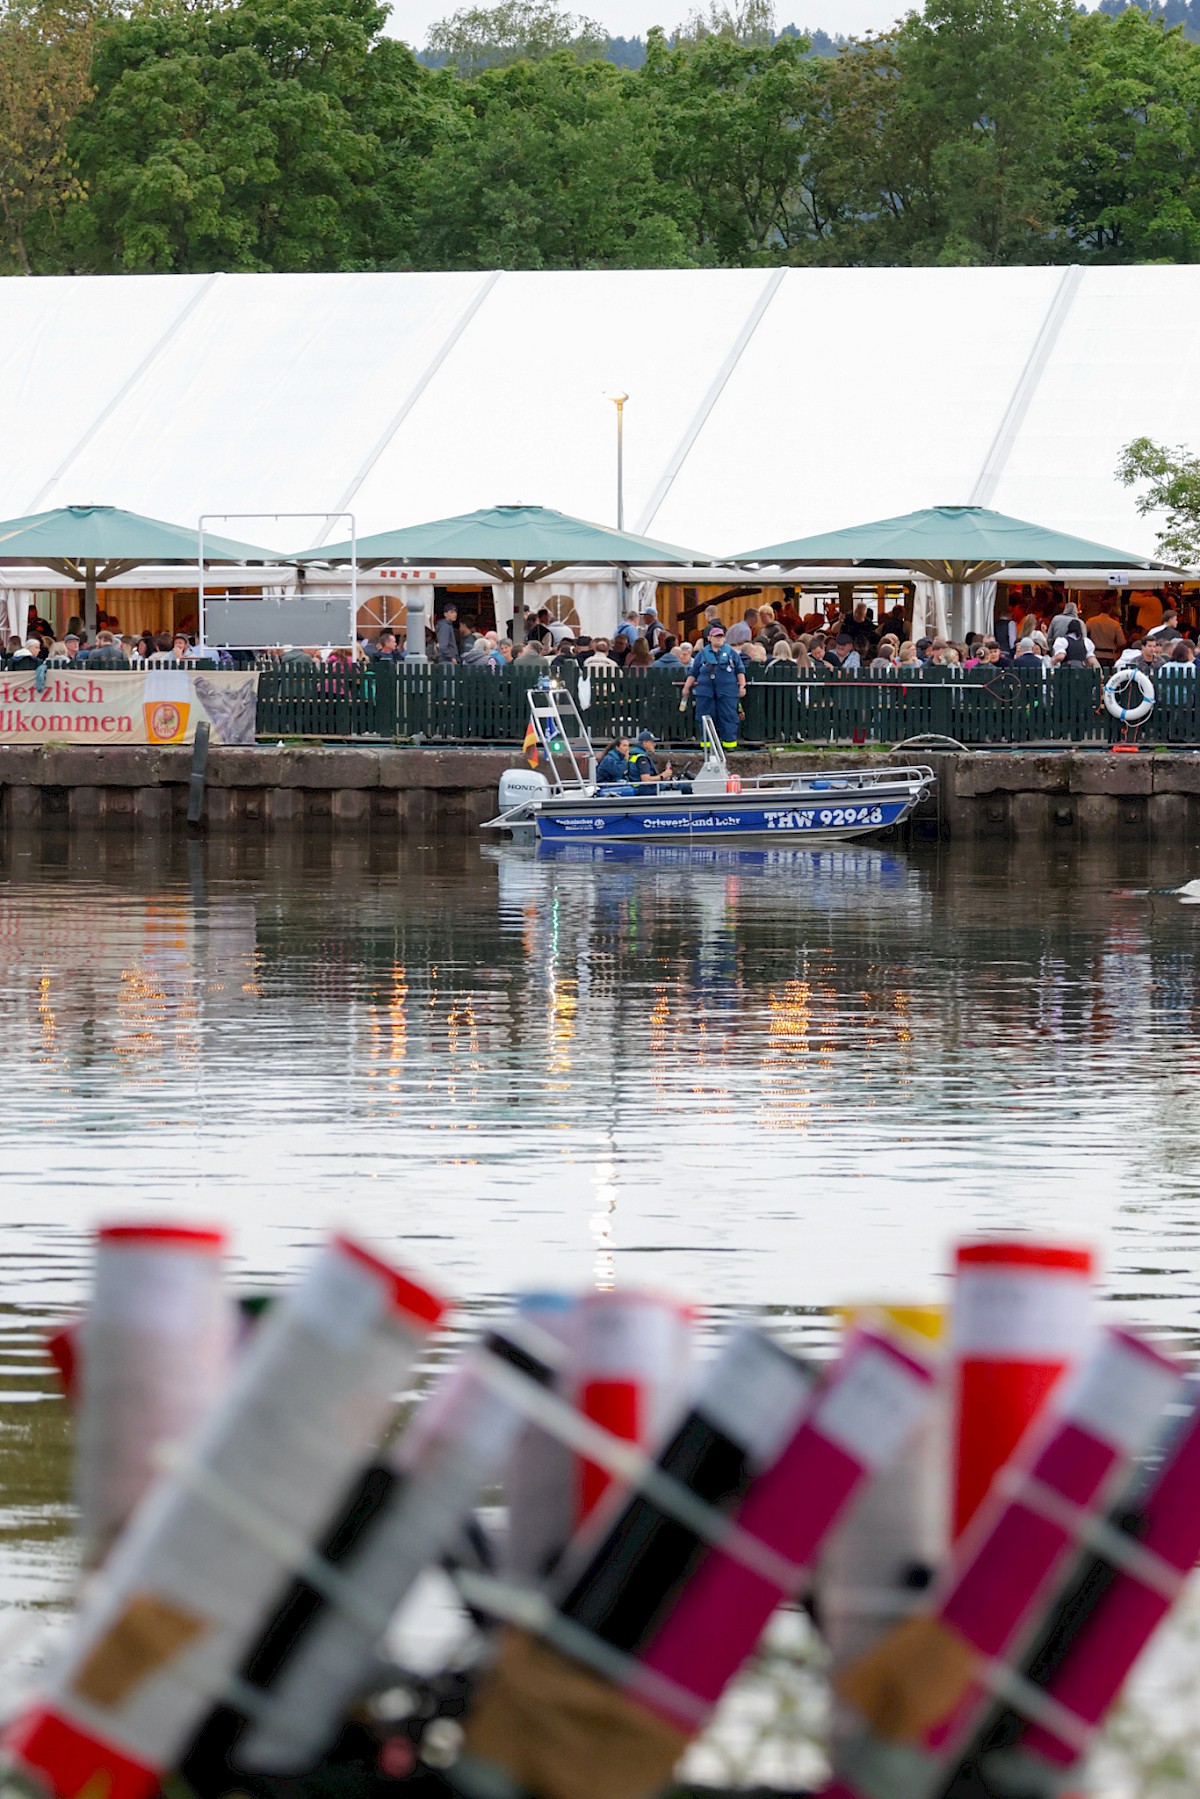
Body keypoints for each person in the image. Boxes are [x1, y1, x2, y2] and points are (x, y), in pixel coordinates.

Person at [682, 622, 746, 750]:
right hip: (705, 692)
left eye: (721, 636)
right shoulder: (702, 654)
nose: (719, 638)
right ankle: (708, 745)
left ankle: (729, 745)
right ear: (709, 638)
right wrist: (686, 687)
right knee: (705, 718)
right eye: (716, 636)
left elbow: (740, 670)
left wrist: (742, 686)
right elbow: (693, 672)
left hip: (727, 692)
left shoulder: (731, 654)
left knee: (729, 717)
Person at [1088, 602, 1127, 670]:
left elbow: (1084, 635)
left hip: (1095, 655)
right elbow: (1121, 642)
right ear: (1110, 610)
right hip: (1110, 656)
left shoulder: (1091, 621)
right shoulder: (1115, 624)